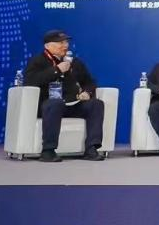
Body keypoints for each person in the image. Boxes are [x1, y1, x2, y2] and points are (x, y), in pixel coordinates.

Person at [21, 29, 104, 162]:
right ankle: (48, 151)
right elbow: (30, 81)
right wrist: (57, 70)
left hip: (72, 104)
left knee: (96, 104)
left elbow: (90, 82)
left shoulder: (75, 63)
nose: (65, 46)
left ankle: (91, 148)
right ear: (48, 46)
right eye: (60, 43)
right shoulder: (38, 61)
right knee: (55, 103)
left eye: (66, 42)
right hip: (48, 105)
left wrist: (87, 93)